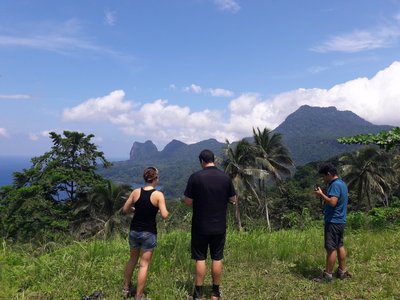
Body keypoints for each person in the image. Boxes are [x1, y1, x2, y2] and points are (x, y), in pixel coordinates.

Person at [184, 149, 237, 300]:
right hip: (219, 225)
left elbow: (188, 201)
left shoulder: (195, 177)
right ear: (214, 160)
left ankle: (198, 293)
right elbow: (233, 199)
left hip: (200, 226)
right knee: (217, 257)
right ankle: (215, 292)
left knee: (200, 258)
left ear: (201, 161)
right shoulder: (225, 177)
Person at [122, 166, 169, 299]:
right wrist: (161, 210)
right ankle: (139, 295)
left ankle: (126, 288)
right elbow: (165, 215)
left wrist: (134, 209)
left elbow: (125, 209)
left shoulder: (136, 192)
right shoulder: (158, 195)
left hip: (134, 231)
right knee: (144, 264)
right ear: (155, 179)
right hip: (149, 233)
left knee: (132, 259)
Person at [314, 163, 351, 282]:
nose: (323, 179)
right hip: (340, 220)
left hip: (333, 221)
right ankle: (342, 271)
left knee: (331, 248)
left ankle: (328, 276)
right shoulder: (342, 184)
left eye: (323, 176)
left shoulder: (335, 185)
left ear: (329, 174)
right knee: (339, 245)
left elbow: (333, 202)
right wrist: (324, 193)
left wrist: (321, 195)